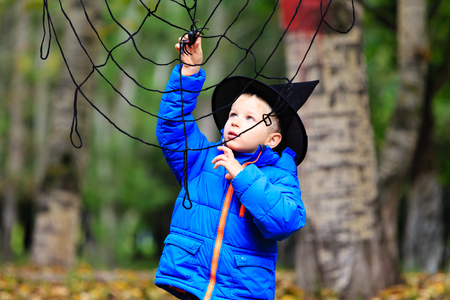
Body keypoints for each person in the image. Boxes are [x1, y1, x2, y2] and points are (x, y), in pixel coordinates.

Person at [154, 34, 319, 300]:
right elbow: (172, 127)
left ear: (272, 139)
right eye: (233, 114)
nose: (236, 121)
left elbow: (285, 221)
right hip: (191, 278)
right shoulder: (202, 158)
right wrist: (189, 71)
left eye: (249, 118)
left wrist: (243, 177)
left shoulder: (279, 174)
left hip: (240, 289)